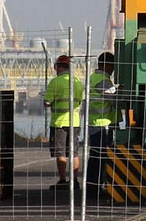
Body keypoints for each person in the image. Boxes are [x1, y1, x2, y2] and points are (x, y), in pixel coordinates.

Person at [43, 53, 83, 186]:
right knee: (74, 152)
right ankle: (75, 181)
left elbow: (47, 102)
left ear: (58, 67)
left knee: (60, 153)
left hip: (59, 123)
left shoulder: (55, 82)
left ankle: (62, 180)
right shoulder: (77, 82)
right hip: (75, 122)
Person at [85, 52, 117, 195]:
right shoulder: (103, 81)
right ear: (107, 65)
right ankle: (96, 187)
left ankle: (92, 185)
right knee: (101, 157)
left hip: (94, 123)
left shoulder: (93, 77)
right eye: (113, 66)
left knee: (95, 157)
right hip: (102, 125)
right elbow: (113, 99)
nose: (113, 69)